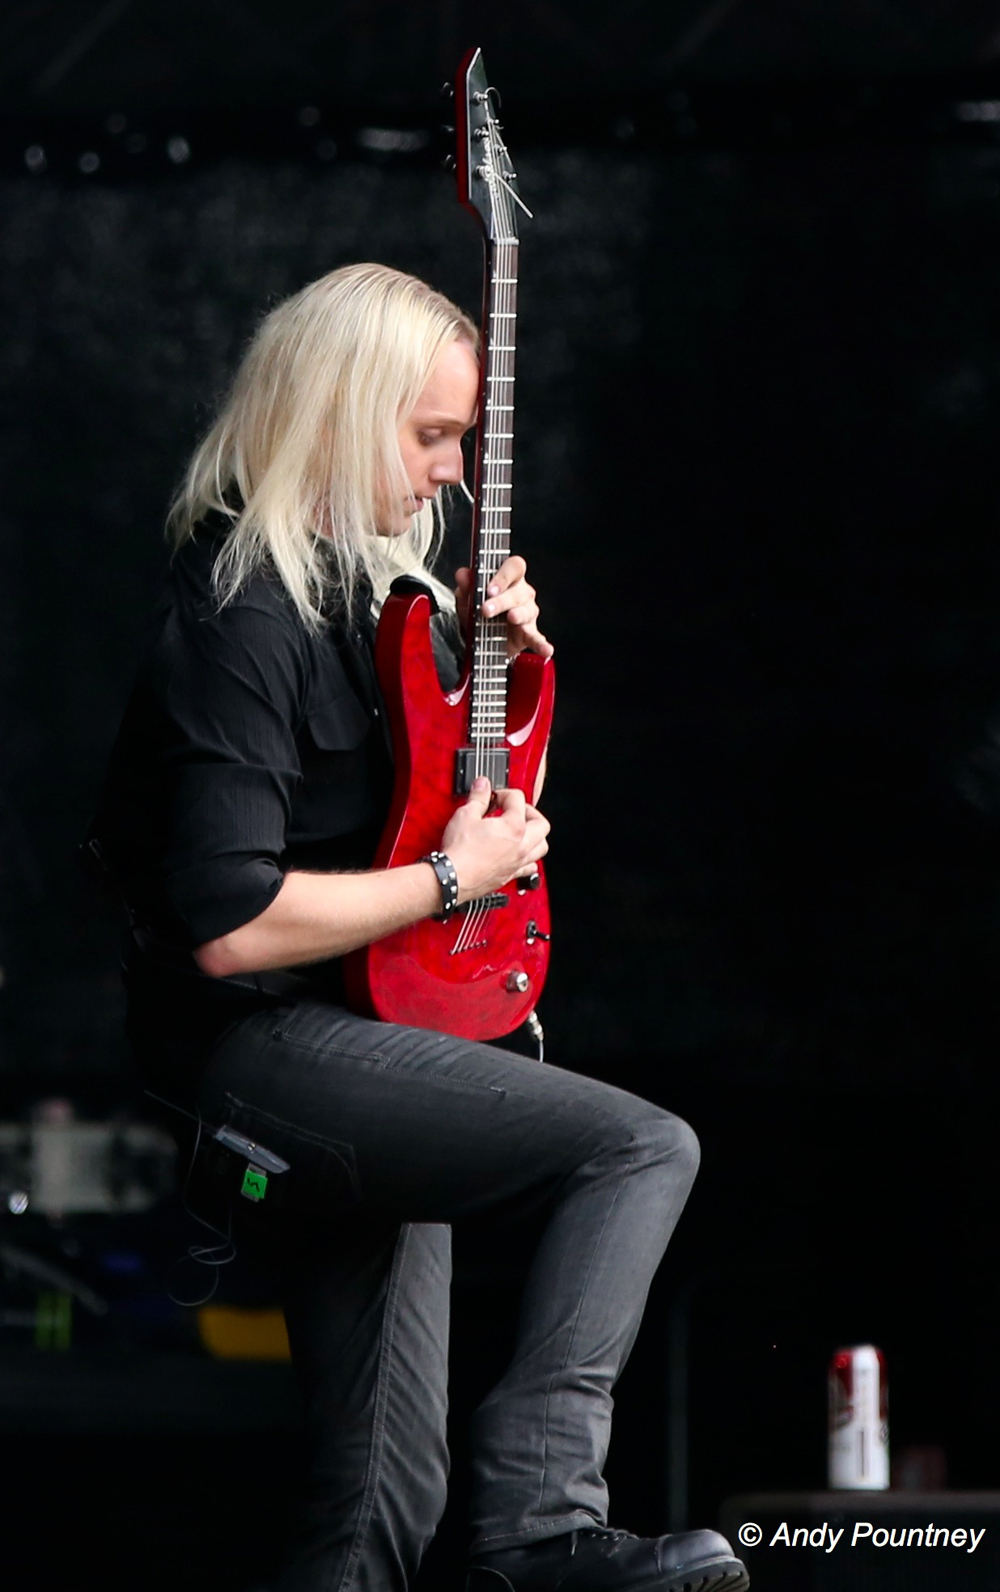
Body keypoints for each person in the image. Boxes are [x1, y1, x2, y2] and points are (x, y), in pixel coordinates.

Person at [91, 263, 749, 1592]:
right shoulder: (240, 613)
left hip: (373, 1032)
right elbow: (231, 926)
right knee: (639, 1149)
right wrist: (454, 880)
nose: (451, 471)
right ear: (342, 412)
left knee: (383, 1491)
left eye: (461, 438)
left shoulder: (381, 608)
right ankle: (544, 1525)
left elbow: (476, 820)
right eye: (431, 434)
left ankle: (511, 1531)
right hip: (258, 1050)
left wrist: (516, 670)